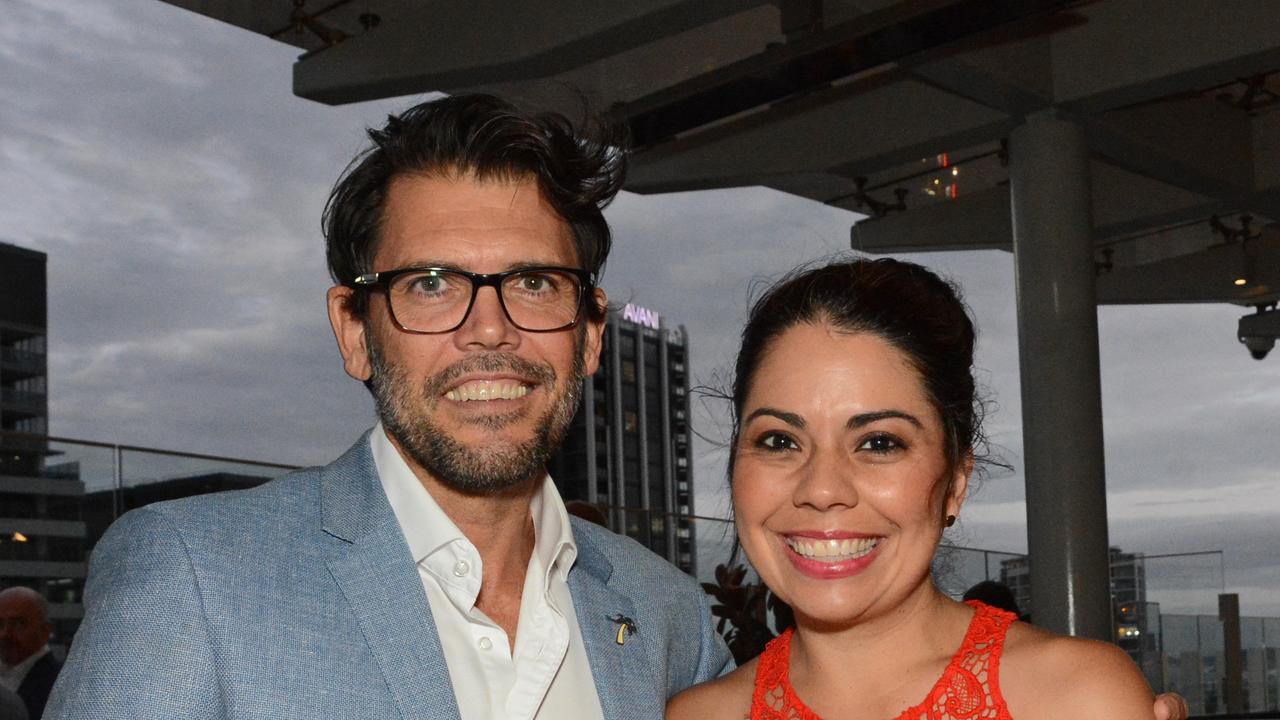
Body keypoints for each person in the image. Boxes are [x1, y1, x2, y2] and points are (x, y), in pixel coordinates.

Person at [46, 94, 730, 719]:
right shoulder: (191, 572)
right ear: (354, 333)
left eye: (533, 282)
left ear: (588, 334)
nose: (489, 329)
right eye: (430, 283)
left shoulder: (668, 614)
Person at [668, 258, 1177, 720]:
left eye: (879, 443)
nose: (821, 490)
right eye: (780, 440)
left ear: (955, 481)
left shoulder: (1076, 698)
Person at [0, 587, 59, 720]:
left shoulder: (59, 685)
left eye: (18, 624)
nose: (5, 634)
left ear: (45, 631)